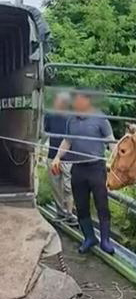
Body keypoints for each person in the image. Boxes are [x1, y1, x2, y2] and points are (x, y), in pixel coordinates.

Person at [51, 90, 116, 254]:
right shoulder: (71, 120)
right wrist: (57, 157)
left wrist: (114, 162)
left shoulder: (100, 119)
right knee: (81, 206)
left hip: (97, 168)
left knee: (102, 205)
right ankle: (89, 238)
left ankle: (105, 241)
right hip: (78, 168)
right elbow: (67, 141)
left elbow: (111, 143)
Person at [44, 92, 78, 226]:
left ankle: (69, 213)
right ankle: (60, 212)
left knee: (68, 187)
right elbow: (46, 132)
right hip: (52, 156)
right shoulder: (50, 115)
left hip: (69, 158)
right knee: (56, 186)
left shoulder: (73, 117)